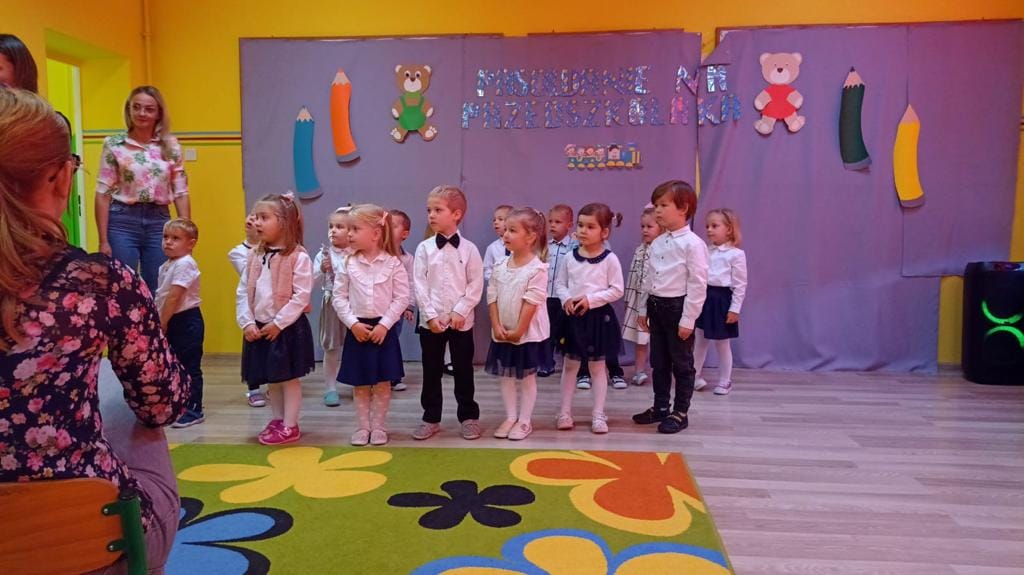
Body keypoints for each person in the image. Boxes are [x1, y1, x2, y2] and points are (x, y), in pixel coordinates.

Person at [0, 88, 188, 573]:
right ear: (62, 177)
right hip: (87, 536)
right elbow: (164, 404)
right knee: (124, 400)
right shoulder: (101, 285)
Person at [236, 193, 315, 445]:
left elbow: (301, 296)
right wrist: (247, 322)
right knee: (272, 378)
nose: (256, 222)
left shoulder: (298, 257)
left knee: (288, 378)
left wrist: (278, 323)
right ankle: (278, 419)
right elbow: (243, 291)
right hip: (260, 328)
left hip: (286, 329)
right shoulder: (254, 256)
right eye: (255, 217)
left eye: (264, 217)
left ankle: (290, 424)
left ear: (284, 222)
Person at [632, 181, 709, 434]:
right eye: (656, 205)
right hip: (656, 307)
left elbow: (697, 285)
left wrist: (688, 319)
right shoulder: (658, 242)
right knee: (659, 362)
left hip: (678, 309)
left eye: (663, 205)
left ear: (683, 208)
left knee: (682, 364)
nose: (657, 210)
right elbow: (648, 278)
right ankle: (661, 406)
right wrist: (643, 309)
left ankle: (680, 412)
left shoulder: (693, 244)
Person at [95, 86, 189, 290]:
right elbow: (102, 193)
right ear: (129, 110)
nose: (142, 113)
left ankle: (154, 314)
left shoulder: (170, 145)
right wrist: (103, 240)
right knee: (122, 284)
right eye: (136, 107)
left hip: (159, 221)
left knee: (159, 284)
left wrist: (186, 233)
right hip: (122, 221)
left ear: (158, 114)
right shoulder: (114, 144)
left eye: (149, 109)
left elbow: (181, 192)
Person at [333, 205, 410, 446]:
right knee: (361, 383)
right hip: (358, 330)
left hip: (382, 331)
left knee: (383, 382)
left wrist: (385, 325)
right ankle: (362, 426)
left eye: (355, 229)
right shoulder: (347, 263)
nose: (349, 234)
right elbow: (339, 297)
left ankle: (378, 426)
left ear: (375, 234)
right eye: (348, 229)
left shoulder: (393, 263)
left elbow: (402, 297)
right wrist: (352, 324)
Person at [412, 185, 484, 441]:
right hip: (431, 322)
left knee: (463, 369)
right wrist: (430, 316)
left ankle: (468, 417)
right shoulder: (424, 249)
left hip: (461, 322)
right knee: (431, 370)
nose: (431, 215)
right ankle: (431, 418)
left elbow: (476, 284)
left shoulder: (470, 249)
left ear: (456, 214)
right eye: (428, 210)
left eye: (437, 210)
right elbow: (419, 285)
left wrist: (460, 311)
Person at [554, 203, 625, 434]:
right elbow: (560, 284)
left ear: (604, 232)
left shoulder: (609, 259)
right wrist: (566, 298)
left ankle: (598, 414)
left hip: (598, 319)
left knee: (597, 367)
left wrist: (591, 299)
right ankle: (564, 412)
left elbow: (617, 289)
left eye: (590, 227)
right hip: (573, 318)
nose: (583, 230)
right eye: (581, 225)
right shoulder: (569, 257)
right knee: (570, 366)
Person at [485, 208, 550, 440]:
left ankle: (524, 420)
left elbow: (531, 302)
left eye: (512, 230)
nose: (506, 235)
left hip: (527, 333)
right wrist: (496, 325)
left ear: (530, 237)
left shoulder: (537, 269)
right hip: (503, 331)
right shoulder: (500, 265)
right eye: (505, 230)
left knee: (527, 377)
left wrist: (519, 331)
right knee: (506, 375)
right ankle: (510, 416)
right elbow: (491, 296)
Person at [156, 218, 205, 428]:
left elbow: (174, 296)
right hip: (172, 319)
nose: (168, 242)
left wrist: (162, 322)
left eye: (175, 238)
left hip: (186, 321)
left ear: (191, 243)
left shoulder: (185, 264)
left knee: (188, 366)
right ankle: (178, 404)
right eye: (165, 237)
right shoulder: (167, 265)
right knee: (172, 365)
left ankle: (194, 409)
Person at [693, 209, 748, 396]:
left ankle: (725, 380)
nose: (709, 229)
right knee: (700, 341)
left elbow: (740, 285)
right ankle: (694, 376)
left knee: (722, 344)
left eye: (714, 226)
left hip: (721, 300)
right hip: (704, 298)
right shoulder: (705, 251)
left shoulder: (736, 254)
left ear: (729, 229)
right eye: (707, 226)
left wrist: (735, 309)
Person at [228, 207, 267, 407]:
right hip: (254, 308)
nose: (253, 221)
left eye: (260, 218)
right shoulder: (238, 252)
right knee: (254, 349)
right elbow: (252, 275)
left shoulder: (275, 250)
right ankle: (254, 389)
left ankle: (276, 384)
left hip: (271, 307)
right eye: (251, 217)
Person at [313, 206, 352, 407]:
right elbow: (311, 280)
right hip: (332, 304)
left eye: (339, 227)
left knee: (356, 346)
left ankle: (358, 383)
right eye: (331, 226)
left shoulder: (357, 253)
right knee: (332, 347)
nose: (333, 231)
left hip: (354, 304)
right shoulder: (324, 254)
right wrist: (322, 269)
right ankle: (330, 388)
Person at [621, 205, 662, 386]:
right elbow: (632, 275)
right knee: (641, 340)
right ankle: (639, 371)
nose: (645, 230)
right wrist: (628, 298)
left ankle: (663, 371)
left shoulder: (663, 251)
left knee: (661, 341)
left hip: (658, 302)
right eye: (642, 226)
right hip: (639, 302)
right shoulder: (639, 250)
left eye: (649, 226)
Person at [539, 204, 574, 377]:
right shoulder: (545, 246)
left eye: (558, 222)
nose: (553, 225)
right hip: (546, 296)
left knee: (565, 330)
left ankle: (570, 365)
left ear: (569, 225)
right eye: (551, 221)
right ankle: (546, 363)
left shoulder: (574, 247)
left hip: (564, 297)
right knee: (546, 330)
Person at [389, 209, 415, 391]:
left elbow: (411, 283)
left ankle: (393, 376)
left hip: (397, 308)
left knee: (392, 341)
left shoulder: (407, 259)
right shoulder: (375, 254)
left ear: (404, 234)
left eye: (393, 226)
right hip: (377, 307)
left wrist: (409, 306)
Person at [481, 204, 513, 282]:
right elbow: (487, 269)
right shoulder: (492, 248)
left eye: (500, 219)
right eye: (494, 220)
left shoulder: (519, 245)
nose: (495, 222)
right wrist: (495, 279)